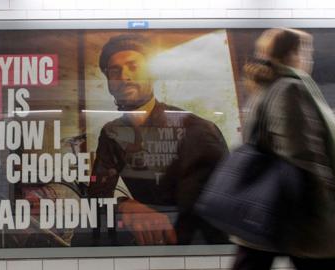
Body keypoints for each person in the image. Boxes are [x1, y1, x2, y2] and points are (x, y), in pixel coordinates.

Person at [233, 28, 335, 270]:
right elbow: (301, 155)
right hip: (304, 217)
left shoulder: (264, 89)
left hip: (276, 213)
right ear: (293, 54)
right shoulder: (288, 89)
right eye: (307, 52)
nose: (310, 59)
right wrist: (329, 205)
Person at [88, 34, 229, 245]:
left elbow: (224, 205)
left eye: (133, 66)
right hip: (149, 245)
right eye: (114, 71)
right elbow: (96, 197)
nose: (124, 76)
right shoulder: (112, 133)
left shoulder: (198, 129)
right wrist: (124, 205)